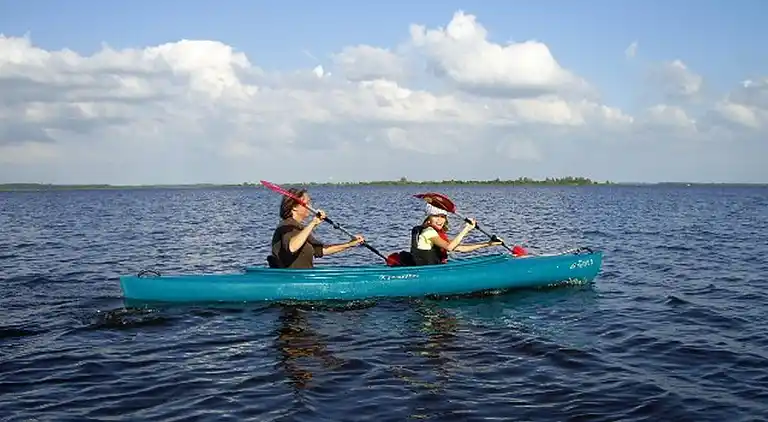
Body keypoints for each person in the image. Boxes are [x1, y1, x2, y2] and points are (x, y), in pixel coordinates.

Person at [267, 188, 365, 269]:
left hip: (304, 279)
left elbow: (321, 250)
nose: (310, 206)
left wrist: (350, 244)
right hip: (292, 281)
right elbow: (292, 247)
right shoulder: (286, 226)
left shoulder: (300, 228)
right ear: (294, 207)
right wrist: (313, 223)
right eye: (307, 203)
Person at [409, 203, 503, 265]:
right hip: (427, 272)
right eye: (436, 216)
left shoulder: (434, 233)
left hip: (433, 268)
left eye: (442, 217)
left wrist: (489, 244)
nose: (440, 220)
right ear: (429, 218)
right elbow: (449, 247)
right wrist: (466, 229)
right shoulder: (428, 232)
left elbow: (459, 248)